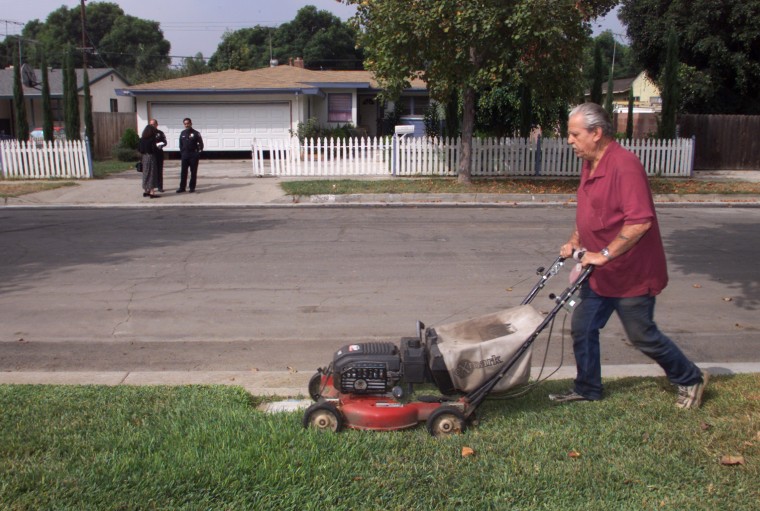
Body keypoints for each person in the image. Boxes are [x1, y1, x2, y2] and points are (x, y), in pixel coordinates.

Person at [549, 102, 708, 409]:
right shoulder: (590, 164)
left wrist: (603, 254)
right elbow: (591, 212)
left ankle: (689, 377)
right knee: (582, 327)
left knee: (642, 335)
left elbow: (640, 221)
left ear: (596, 133)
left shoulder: (625, 165)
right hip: (599, 273)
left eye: (574, 134)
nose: (570, 140)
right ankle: (588, 388)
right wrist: (574, 241)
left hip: (632, 272)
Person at [177, 117, 203, 193]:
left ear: (191, 123)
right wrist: (182, 152)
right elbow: (180, 144)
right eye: (185, 124)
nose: (186, 125)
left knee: (193, 172)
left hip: (193, 156)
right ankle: (182, 188)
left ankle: (192, 187)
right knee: (183, 172)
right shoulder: (182, 133)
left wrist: (198, 153)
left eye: (188, 123)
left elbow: (201, 144)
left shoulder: (196, 133)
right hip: (185, 155)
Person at [138, 124, 161, 198]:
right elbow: (154, 149)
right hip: (151, 157)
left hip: (144, 157)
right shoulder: (152, 139)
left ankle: (146, 190)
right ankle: (152, 192)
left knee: (145, 174)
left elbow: (139, 149)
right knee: (152, 174)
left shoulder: (142, 139)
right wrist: (158, 147)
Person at [150, 119, 167, 192]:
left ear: (157, 124)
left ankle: (160, 187)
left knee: (159, 171)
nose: (152, 125)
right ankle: (150, 187)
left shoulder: (160, 133)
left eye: (154, 124)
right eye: (151, 124)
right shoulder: (147, 133)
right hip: (150, 155)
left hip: (159, 154)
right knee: (151, 172)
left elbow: (165, 142)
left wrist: (161, 145)